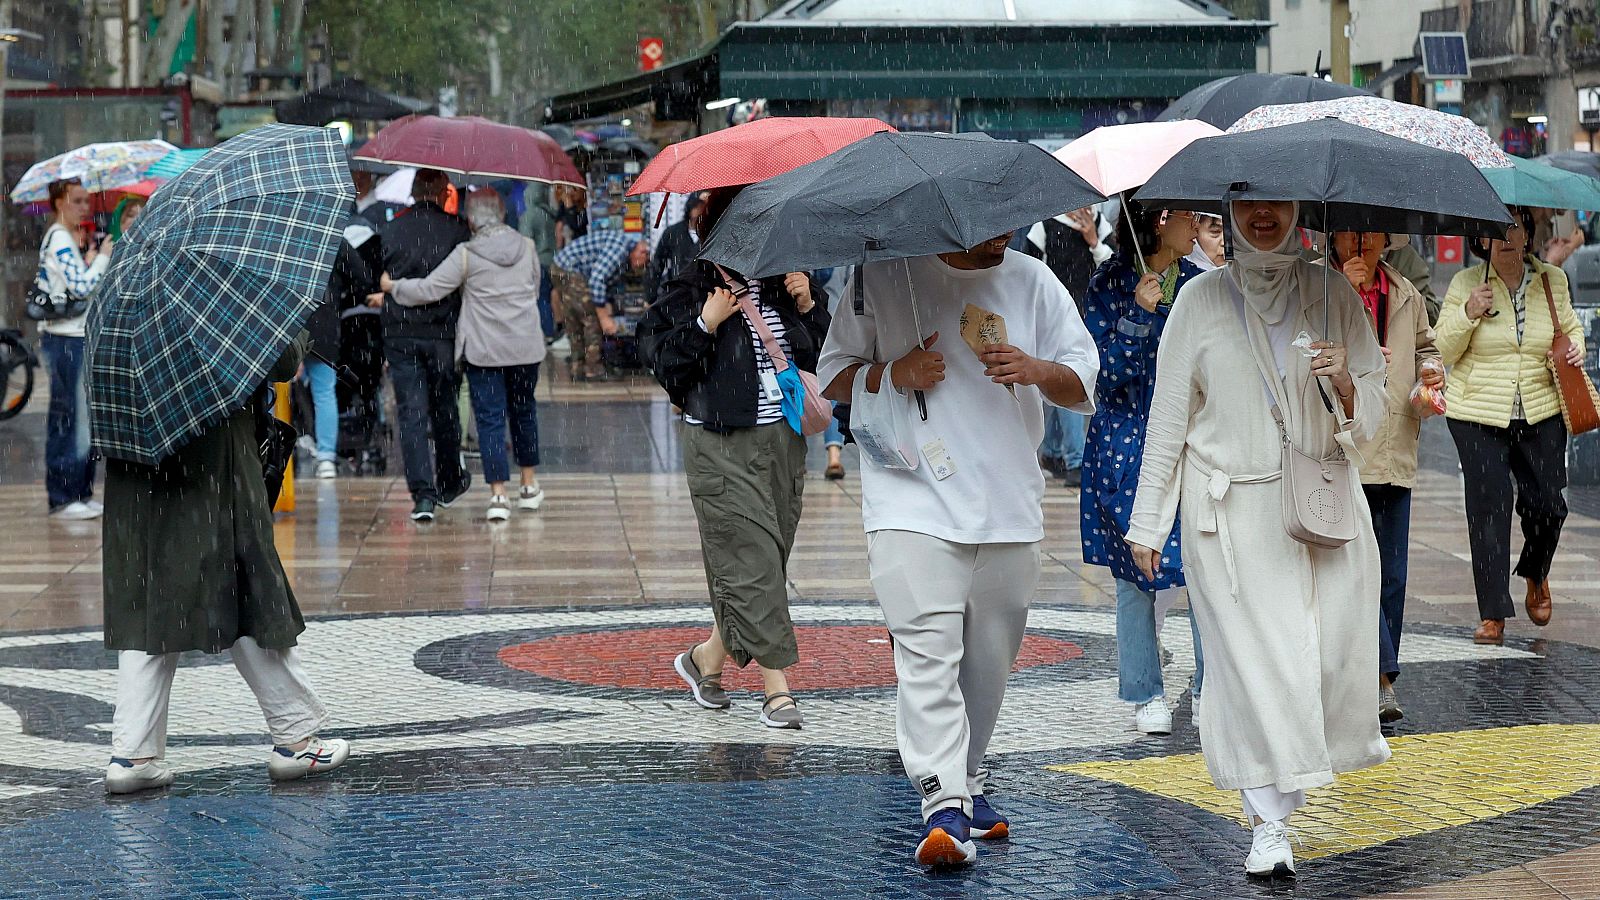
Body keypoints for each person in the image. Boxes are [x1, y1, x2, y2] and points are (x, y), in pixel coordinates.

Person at [1125, 200, 1391, 878]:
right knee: (1253, 673)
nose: (1263, 214)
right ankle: (1268, 825)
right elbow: (1168, 419)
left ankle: (1288, 784)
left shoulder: (1331, 293)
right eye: (1248, 202)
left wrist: (1346, 386)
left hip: (1322, 507)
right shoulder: (1198, 302)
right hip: (1230, 519)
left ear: (1299, 206)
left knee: (1327, 659)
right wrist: (1149, 520)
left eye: (1277, 200)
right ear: (1230, 209)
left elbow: (1378, 411)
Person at [817, 233, 1099, 869]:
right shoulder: (881, 275)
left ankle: (967, 782)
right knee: (926, 653)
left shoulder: (1033, 280)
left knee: (987, 667)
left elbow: (1083, 376)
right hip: (908, 503)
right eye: (986, 226)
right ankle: (943, 802)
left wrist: (1036, 370)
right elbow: (832, 373)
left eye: (1008, 223)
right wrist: (894, 372)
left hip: (1007, 506)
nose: (1001, 235)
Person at [101, 332, 350, 794]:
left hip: (138, 473)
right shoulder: (212, 294)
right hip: (214, 467)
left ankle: (133, 754)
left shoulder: (124, 309)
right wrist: (295, 335)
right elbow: (276, 358)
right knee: (247, 592)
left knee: (150, 604)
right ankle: (296, 738)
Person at [638, 185, 829, 732]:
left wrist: (810, 305)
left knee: (760, 562)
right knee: (753, 561)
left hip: (785, 442)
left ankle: (705, 661)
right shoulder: (691, 284)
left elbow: (827, 356)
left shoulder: (784, 285)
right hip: (721, 442)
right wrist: (705, 323)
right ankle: (777, 689)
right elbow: (667, 365)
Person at [1081, 203, 1205, 737]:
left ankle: (1212, 688)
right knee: (1136, 573)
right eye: (1188, 215)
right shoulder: (1109, 281)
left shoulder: (1202, 285)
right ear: (1160, 220)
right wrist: (1136, 315)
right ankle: (1144, 691)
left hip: (1193, 441)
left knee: (1205, 568)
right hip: (1125, 445)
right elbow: (1100, 374)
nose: (1197, 225)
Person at [1436, 205, 1585, 646]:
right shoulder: (1467, 282)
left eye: (1514, 226)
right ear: (1480, 238)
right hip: (1477, 413)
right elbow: (1443, 346)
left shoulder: (1551, 280)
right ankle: (1493, 613)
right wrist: (1468, 312)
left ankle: (1536, 572)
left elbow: (1571, 329)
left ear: (1528, 235)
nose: (1505, 236)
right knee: (1489, 505)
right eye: (1493, 228)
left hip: (1540, 409)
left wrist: (1574, 348)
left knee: (1548, 503)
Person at [1322, 230, 1441, 722]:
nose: (1363, 240)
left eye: (1372, 231)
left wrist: (1431, 370)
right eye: (1353, 229)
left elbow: (1426, 346)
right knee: (1358, 569)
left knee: (1392, 575)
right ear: (1334, 232)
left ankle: (1376, 672)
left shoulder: (1404, 291)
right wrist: (1345, 301)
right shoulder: (1318, 287)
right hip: (1346, 449)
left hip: (1395, 449)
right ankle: (1380, 676)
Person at [385, 189, 548, 522]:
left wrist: (394, 287)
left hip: (485, 350)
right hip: (524, 346)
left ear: (472, 219)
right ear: (502, 214)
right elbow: (533, 288)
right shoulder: (528, 247)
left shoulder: (466, 254)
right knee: (524, 412)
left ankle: (499, 495)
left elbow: (430, 289)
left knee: (489, 420)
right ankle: (529, 487)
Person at [372, 168, 473, 522]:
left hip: (400, 332)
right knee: (445, 408)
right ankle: (449, 480)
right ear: (444, 192)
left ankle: (423, 495)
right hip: (442, 333)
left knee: (411, 413)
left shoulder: (390, 230)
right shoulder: (458, 230)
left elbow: (376, 279)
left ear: (412, 193)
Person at [36, 179, 111, 520]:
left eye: (87, 201)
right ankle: (65, 495)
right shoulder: (59, 238)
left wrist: (90, 256)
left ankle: (78, 490)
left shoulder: (68, 240)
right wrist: (101, 260)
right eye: (77, 201)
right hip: (66, 339)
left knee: (81, 418)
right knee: (70, 419)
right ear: (59, 203)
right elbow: (80, 288)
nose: (85, 207)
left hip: (74, 337)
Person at [1027, 206, 1112, 488]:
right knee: (1052, 379)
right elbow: (1028, 269)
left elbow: (1113, 269)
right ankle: (1061, 456)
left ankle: (1068, 458)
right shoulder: (1046, 224)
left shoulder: (1100, 222)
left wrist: (1094, 241)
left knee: (1072, 376)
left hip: (1089, 314)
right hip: (1052, 316)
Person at [305, 221, 377, 479]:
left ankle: (270, 450)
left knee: (274, 391)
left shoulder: (272, 234)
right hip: (323, 322)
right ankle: (326, 457)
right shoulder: (331, 237)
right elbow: (363, 278)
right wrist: (340, 296)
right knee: (323, 392)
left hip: (281, 321)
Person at [550, 229, 649, 382]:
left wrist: (607, 304)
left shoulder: (625, 253)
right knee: (591, 317)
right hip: (569, 271)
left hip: (562, 268)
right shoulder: (620, 249)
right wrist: (604, 318)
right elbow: (597, 280)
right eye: (644, 262)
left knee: (574, 317)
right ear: (641, 252)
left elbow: (607, 283)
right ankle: (592, 369)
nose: (642, 267)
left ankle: (578, 366)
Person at [647, 191, 709, 305]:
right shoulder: (673, 232)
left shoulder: (712, 233)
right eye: (697, 204)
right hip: (677, 293)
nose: (699, 209)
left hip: (706, 295)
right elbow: (657, 265)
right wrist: (650, 297)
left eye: (704, 205)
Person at [518, 183, 560, 342]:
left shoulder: (529, 216)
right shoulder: (549, 213)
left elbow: (525, 241)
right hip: (553, 260)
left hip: (538, 261)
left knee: (540, 298)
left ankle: (547, 332)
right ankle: (555, 328)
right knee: (551, 296)